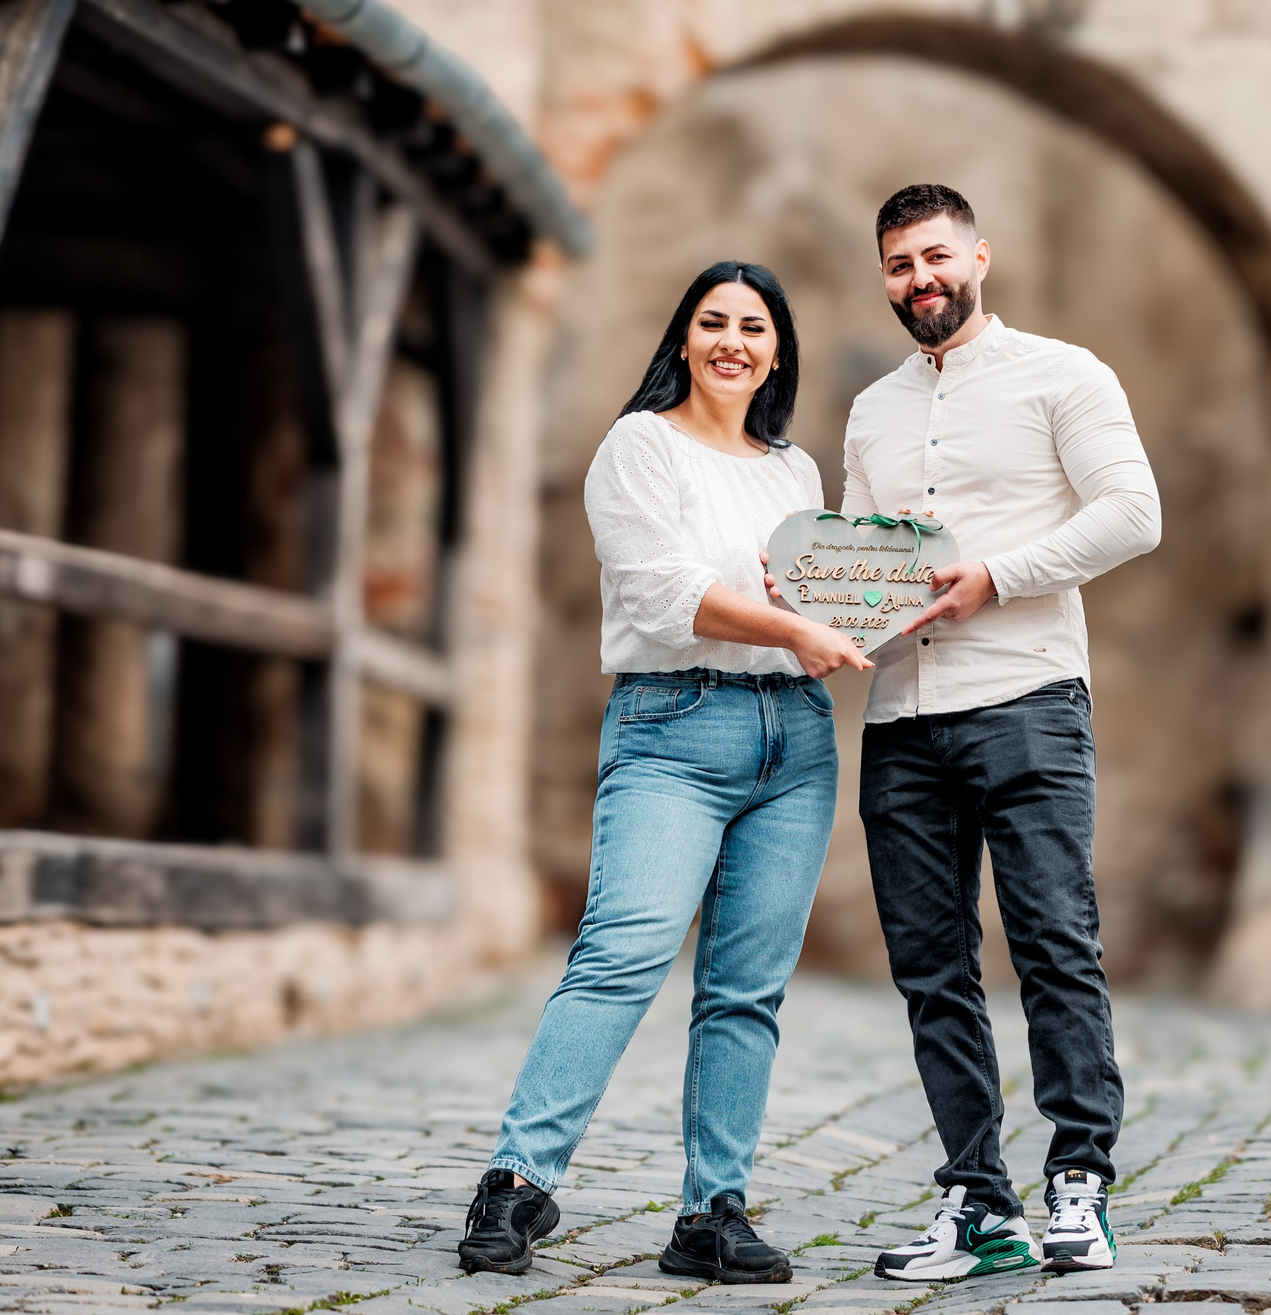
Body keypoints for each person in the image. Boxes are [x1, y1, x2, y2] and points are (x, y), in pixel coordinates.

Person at [458, 262, 873, 1285]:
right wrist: (790, 622)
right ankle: (514, 1184)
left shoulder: (793, 472)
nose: (732, 340)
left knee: (746, 990)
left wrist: (866, 608)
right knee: (623, 954)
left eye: (753, 327)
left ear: (777, 351)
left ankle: (710, 1213)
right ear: (683, 340)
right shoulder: (637, 445)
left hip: (795, 738)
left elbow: (815, 588)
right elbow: (662, 594)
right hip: (672, 728)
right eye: (712, 322)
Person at [843, 185, 1161, 1280]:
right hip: (901, 720)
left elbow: (1131, 511)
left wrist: (996, 576)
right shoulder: (871, 410)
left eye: (934, 256)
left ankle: (1079, 1180)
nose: (918, 279)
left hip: (1026, 699)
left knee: (1051, 946)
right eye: (897, 265)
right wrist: (810, 594)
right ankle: (978, 1203)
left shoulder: (1064, 374)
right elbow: (862, 567)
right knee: (930, 972)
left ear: (979, 255)